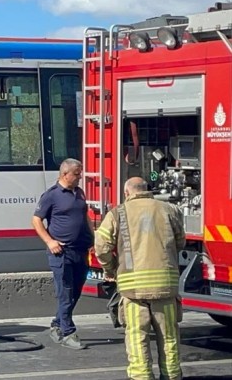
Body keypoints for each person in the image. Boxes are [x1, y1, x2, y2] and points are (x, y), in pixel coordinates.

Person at [94, 177, 185, 380]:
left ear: (127, 193)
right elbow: (180, 242)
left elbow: (101, 245)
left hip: (133, 290)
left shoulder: (117, 213)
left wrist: (110, 269)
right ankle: (171, 376)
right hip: (165, 286)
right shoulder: (170, 210)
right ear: (147, 190)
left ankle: (141, 376)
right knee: (169, 336)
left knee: (137, 336)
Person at [32, 158, 93, 350]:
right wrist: (50, 242)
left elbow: (86, 217)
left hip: (80, 250)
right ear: (65, 174)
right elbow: (36, 220)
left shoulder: (80, 193)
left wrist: (95, 238)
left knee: (75, 291)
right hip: (62, 252)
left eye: (80, 173)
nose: (80, 177)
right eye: (77, 174)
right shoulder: (52, 195)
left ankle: (57, 324)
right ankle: (68, 332)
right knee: (65, 292)